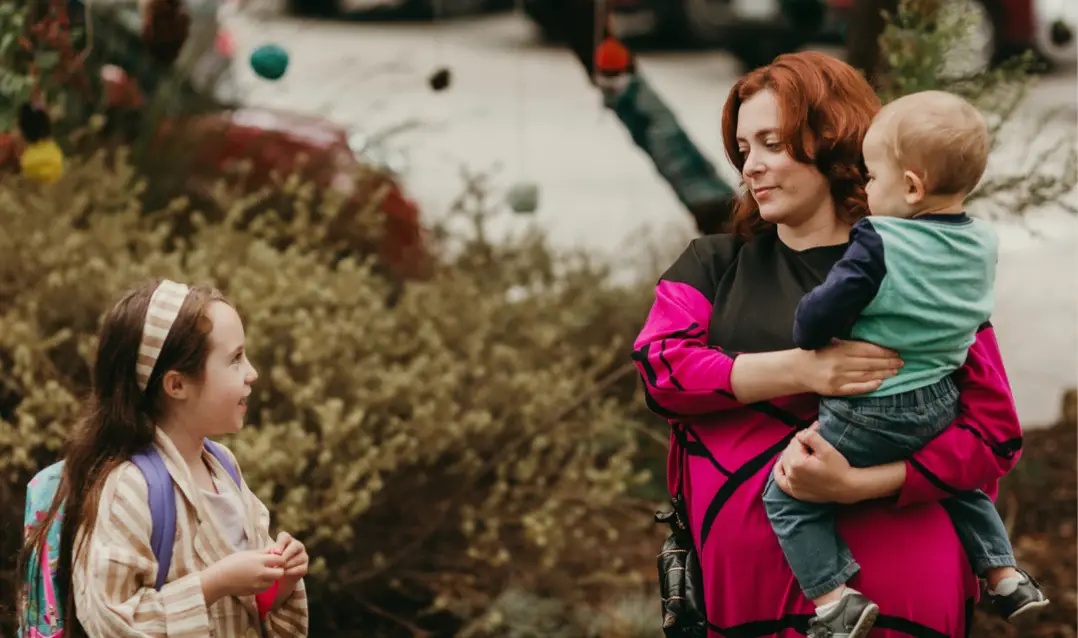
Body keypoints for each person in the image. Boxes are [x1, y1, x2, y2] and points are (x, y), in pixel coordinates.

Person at [632, 51, 1025, 638]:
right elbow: (663, 371)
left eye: (773, 142)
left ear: (836, 139)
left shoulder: (917, 268)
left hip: (898, 593)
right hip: (745, 601)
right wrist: (804, 370)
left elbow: (993, 433)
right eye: (744, 149)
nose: (752, 167)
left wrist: (860, 484)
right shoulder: (713, 265)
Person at [761, 90, 1048, 637]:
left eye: (872, 176)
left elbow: (821, 313)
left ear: (911, 187)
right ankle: (1006, 574)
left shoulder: (879, 240)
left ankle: (834, 601)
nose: (865, 188)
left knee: (786, 494)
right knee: (959, 485)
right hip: (943, 402)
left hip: (871, 408)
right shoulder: (983, 240)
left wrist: (809, 329)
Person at [18, 280, 309, 637]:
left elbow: (248, 608)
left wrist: (282, 578)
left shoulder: (223, 466)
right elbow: (110, 621)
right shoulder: (129, 487)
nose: (252, 373)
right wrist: (212, 584)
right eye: (235, 359)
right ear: (176, 385)